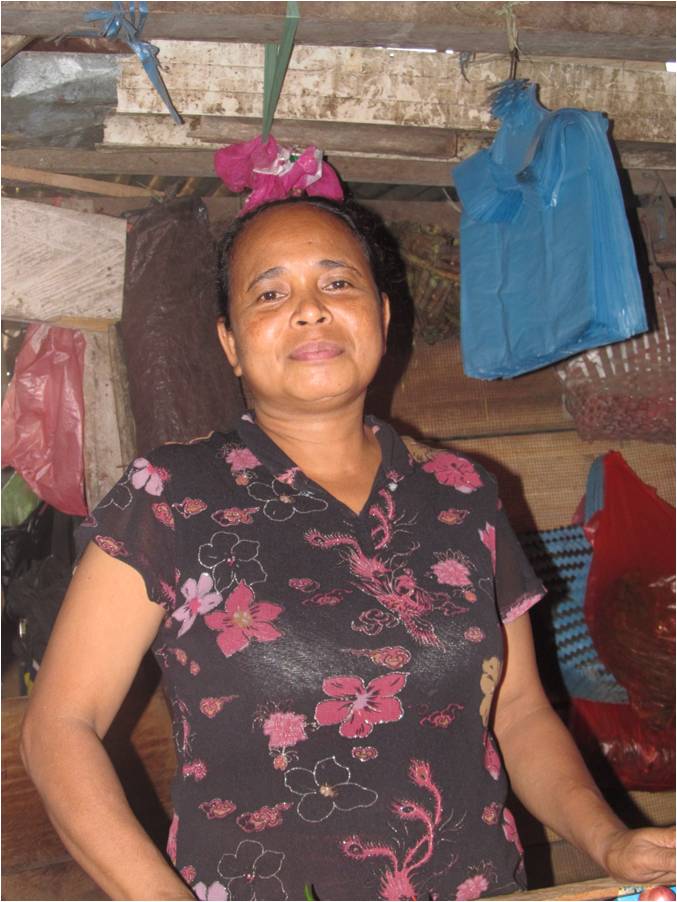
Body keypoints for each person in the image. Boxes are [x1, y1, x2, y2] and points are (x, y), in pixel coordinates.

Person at [21, 198, 675, 902]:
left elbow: (516, 711)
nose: (310, 310)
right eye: (270, 294)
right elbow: (58, 728)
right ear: (230, 343)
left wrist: (608, 842)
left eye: (337, 283)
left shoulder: (461, 493)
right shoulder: (170, 496)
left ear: (383, 318)